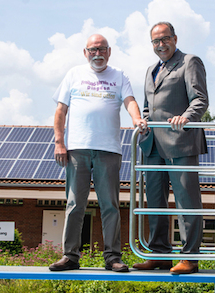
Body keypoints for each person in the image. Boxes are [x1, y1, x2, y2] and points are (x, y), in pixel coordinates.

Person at [49, 34, 146, 273]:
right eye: (93, 50)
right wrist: (59, 142)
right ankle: (70, 256)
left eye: (102, 49)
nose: (97, 53)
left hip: (108, 150)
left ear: (109, 52)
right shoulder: (74, 74)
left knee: (110, 205)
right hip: (77, 149)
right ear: (85, 52)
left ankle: (113, 257)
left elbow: (130, 101)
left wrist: (136, 118)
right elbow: (60, 111)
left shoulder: (119, 75)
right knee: (74, 205)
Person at [133, 22, 208, 274]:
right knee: (155, 201)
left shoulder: (189, 61)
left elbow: (200, 99)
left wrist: (186, 117)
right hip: (152, 144)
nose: (160, 45)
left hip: (180, 141)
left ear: (175, 38)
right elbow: (148, 106)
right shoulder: (150, 70)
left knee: (186, 201)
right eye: (155, 41)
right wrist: (143, 121)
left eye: (165, 39)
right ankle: (159, 253)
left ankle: (190, 257)